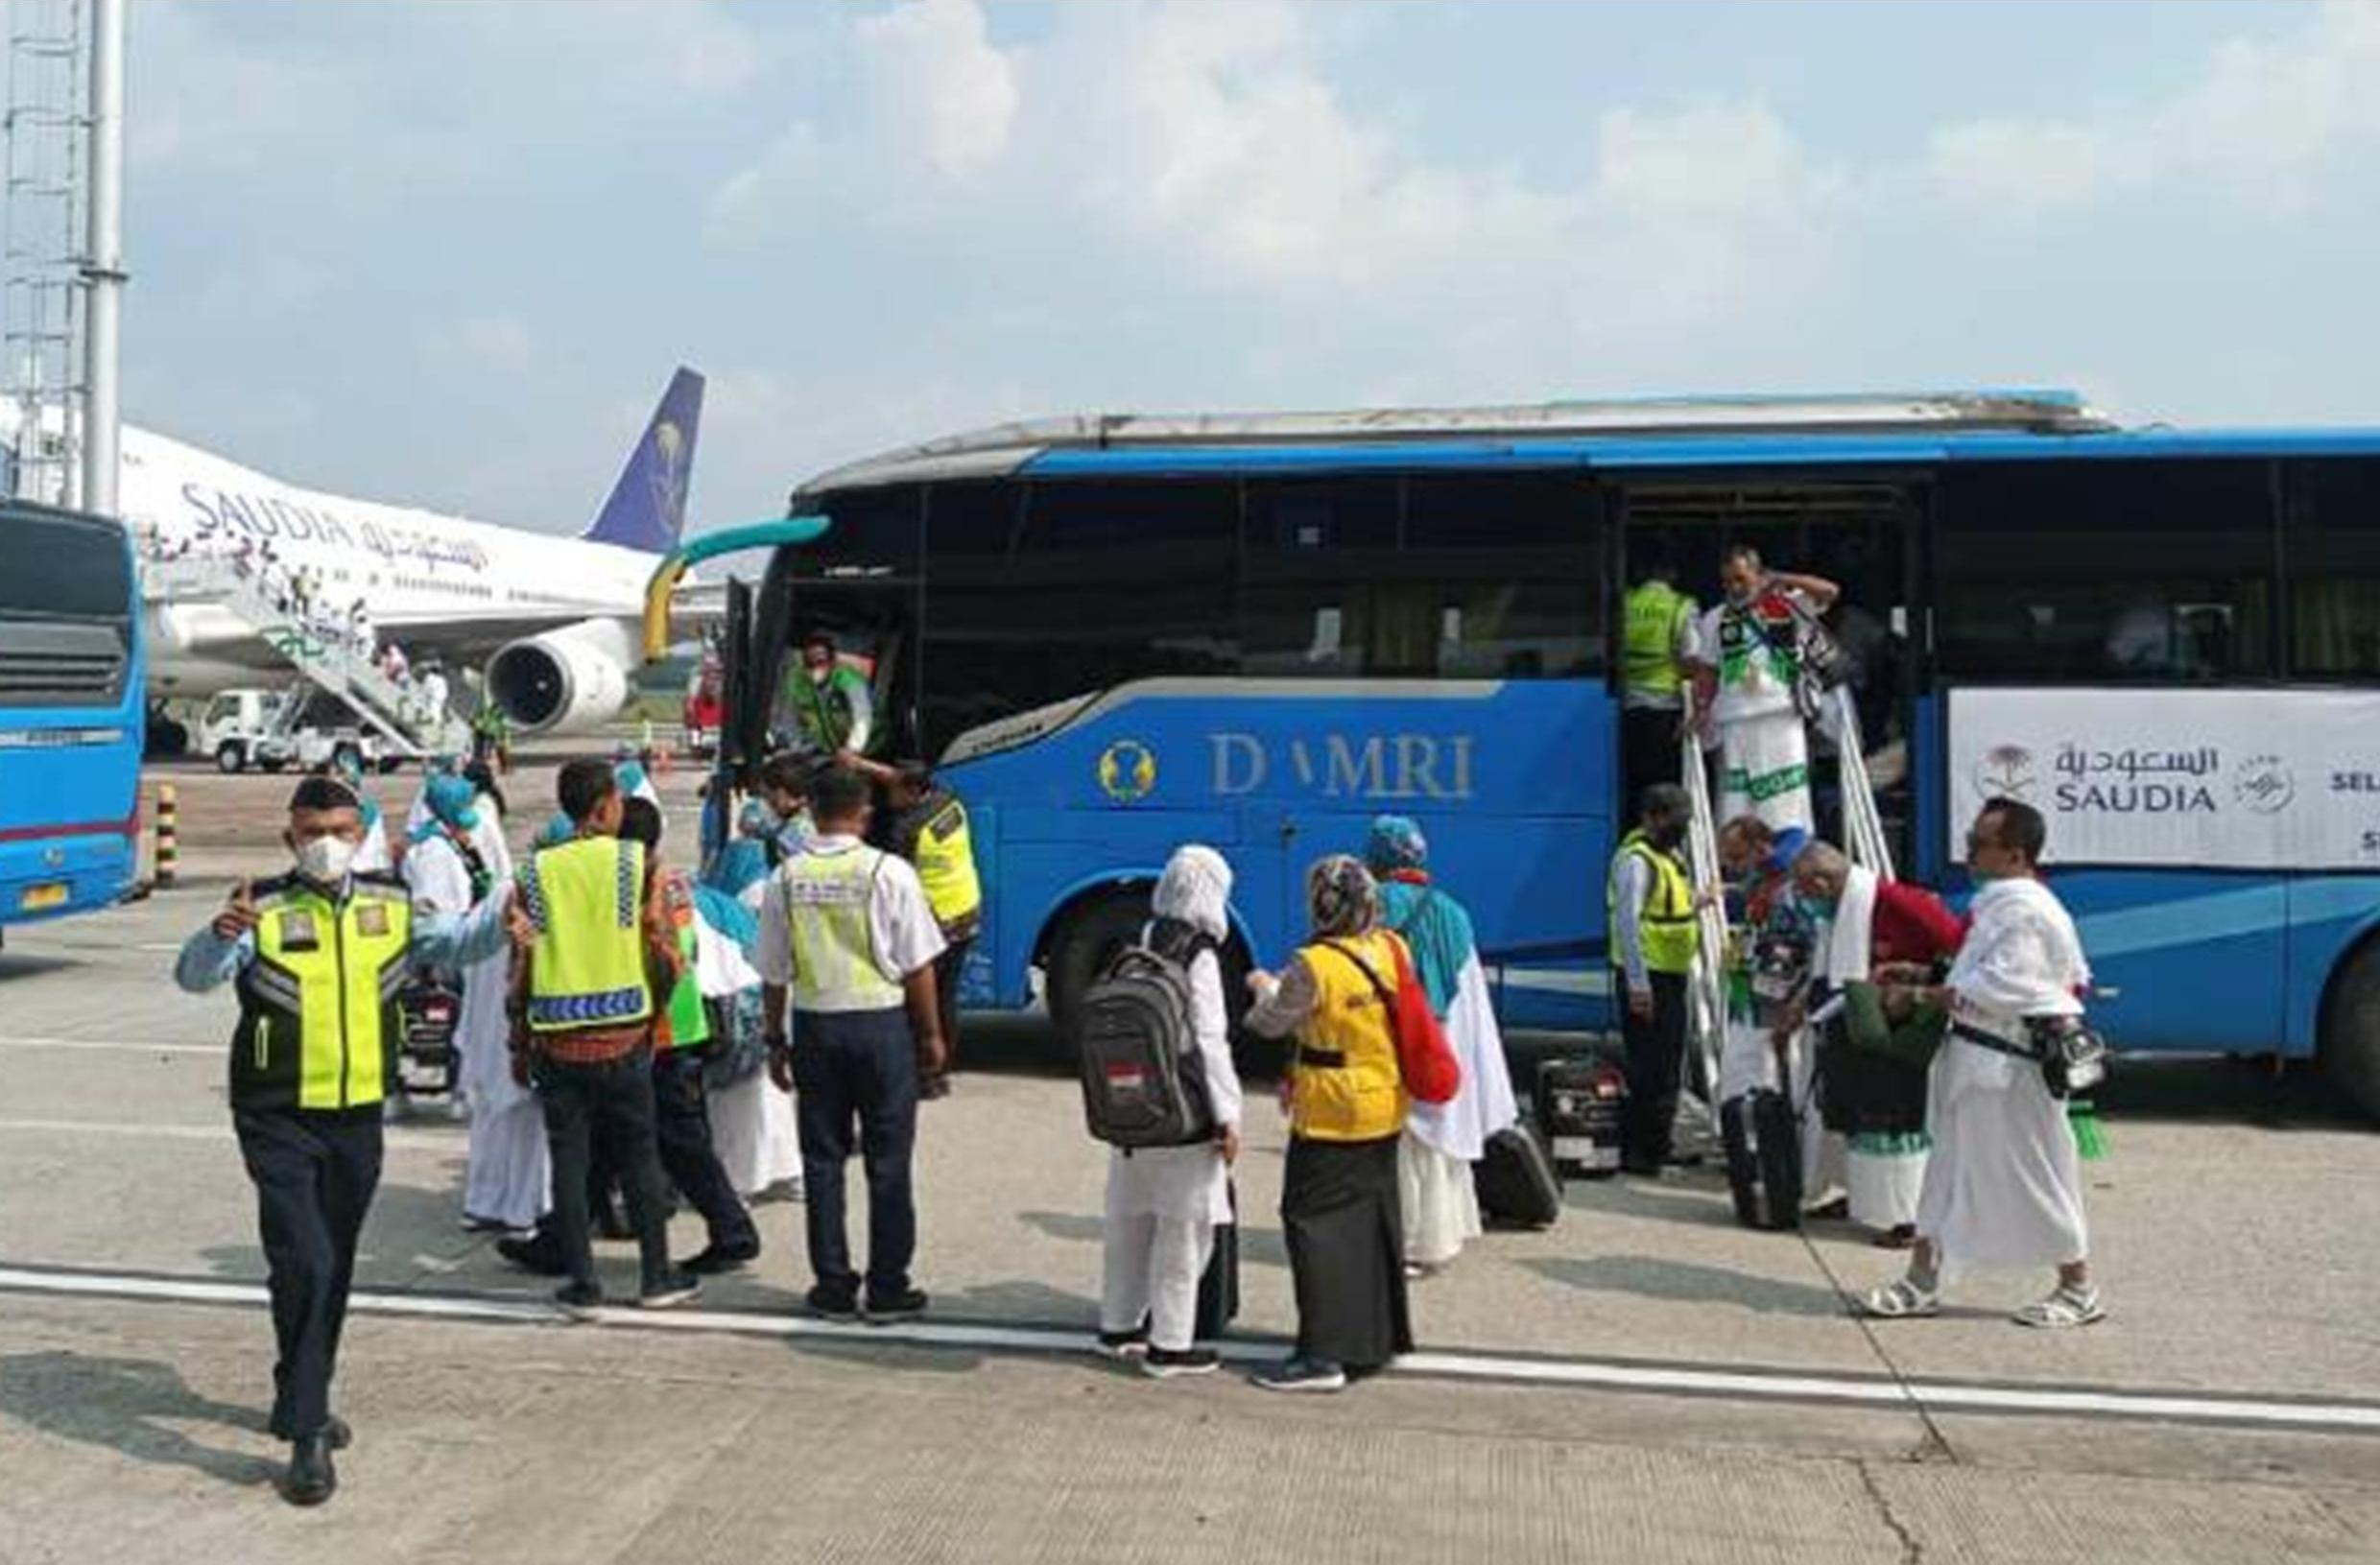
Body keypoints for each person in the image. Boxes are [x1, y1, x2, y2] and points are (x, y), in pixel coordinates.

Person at [173, 774, 517, 1506]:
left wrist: (510, 914)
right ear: (289, 838)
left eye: (338, 828)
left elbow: (458, 943)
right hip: (277, 1113)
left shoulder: (390, 904)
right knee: (306, 1258)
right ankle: (306, 1432)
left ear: (360, 833)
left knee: (327, 1266)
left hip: (359, 1110)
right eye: (309, 831)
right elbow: (194, 977)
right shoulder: (261, 907)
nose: (325, 843)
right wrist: (215, 935)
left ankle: (303, 1387)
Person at [1864, 798, 2105, 1328]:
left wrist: (1924, 996)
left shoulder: (2025, 910)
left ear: (2015, 854)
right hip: (1975, 1064)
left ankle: (2078, 1286)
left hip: (2010, 1070)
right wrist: (1927, 974)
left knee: (2035, 1176)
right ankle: (1923, 1278)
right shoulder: (2002, 904)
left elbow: (2007, 985)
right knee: (1947, 1175)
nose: (1968, 852)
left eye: (1979, 844)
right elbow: (1981, 970)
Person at [510, 760, 702, 1316]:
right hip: (624, 1034)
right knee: (640, 1157)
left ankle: (583, 1283)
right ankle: (655, 1275)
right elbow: (667, 954)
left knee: (568, 1163)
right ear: (604, 806)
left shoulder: (535, 872)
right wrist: (654, 1010)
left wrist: (519, 1039)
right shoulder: (639, 865)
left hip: (557, 1039)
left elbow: (519, 963)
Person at [756, 762, 947, 1322]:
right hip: (881, 1028)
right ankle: (888, 1286)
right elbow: (918, 966)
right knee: (889, 1162)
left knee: (823, 1160)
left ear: (812, 812)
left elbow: (773, 971)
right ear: (864, 812)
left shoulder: (785, 877)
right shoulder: (888, 872)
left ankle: (833, 1284)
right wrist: (931, 1035)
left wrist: (774, 1040)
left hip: (817, 1026)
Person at [1243, 856, 1419, 1393]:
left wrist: (1261, 986)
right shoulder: (1392, 948)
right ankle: (1376, 1338)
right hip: (1385, 1103)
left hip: (1332, 1111)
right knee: (1371, 1225)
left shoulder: (1313, 964)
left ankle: (1323, 1355)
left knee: (1311, 1223)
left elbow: (1269, 1023)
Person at [1096, 845, 1245, 1378]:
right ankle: (1170, 1345)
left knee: (1130, 1219)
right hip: (1183, 1108)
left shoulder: (1144, 938)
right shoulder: (1199, 953)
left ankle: (1117, 1324)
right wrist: (1229, 1115)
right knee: (1184, 1229)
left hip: (1133, 1105)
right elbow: (1210, 1038)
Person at [1365, 815, 1517, 1276]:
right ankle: (1439, 1237)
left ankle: (1402, 1238)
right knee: (1436, 1139)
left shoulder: (1374, 906)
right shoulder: (1454, 912)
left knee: (1400, 1141)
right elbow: (1470, 995)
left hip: (1396, 1035)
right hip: (1443, 1039)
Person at [1793, 841, 1967, 1245]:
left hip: (1902, 1032)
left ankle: (1908, 1217)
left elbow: (1960, 956)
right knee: (1852, 1116)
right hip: (1855, 1024)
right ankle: (1856, 1195)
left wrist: (1914, 977)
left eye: (1806, 890)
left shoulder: (1902, 903)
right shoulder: (1839, 912)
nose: (1804, 900)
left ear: (1823, 881)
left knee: (1899, 1124)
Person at [617, 795, 762, 1274]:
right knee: (621, 1134)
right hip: (681, 1024)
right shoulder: (676, 881)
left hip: (658, 1029)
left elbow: (658, 959)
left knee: (680, 1139)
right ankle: (563, 1231)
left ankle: (732, 1228)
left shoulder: (639, 888)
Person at [405, 772, 545, 1235]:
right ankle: (525, 1210)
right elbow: (438, 925)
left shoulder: (495, 894)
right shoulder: (440, 857)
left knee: (493, 1119)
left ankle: (487, 1202)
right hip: (505, 1025)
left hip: (485, 1024)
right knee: (523, 1127)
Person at [1686, 544, 1840, 834]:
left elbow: (1829, 592)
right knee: (1737, 801)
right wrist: (1701, 710)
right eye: (1728, 581)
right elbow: (1708, 670)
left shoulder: (1787, 604)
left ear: (1758, 575)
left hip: (1780, 715)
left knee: (1785, 798)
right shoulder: (1715, 619)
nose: (1734, 587)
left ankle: (1790, 856)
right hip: (1734, 720)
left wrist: (1781, 578)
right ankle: (1740, 862)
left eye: (1741, 579)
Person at [865, 758, 981, 1099]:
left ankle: (924, 1077)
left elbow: (893, 880)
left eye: (894, 792)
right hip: (965, 912)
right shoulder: (947, 800)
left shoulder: (907, 830)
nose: (888, 798)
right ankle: (940, 1073)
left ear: (913, 791)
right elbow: (899, 778)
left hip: (935, 923)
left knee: (919, 1003)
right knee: (945, 998)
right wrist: (862, 765)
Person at [1607, 784, 1700, 1175]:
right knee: (1650, 1067)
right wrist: (1638, 983)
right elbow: (1628, 921)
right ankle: (1641, 1151)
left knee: (1667, 1064)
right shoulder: (1637, 860)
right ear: (1650, 817)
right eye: (1672, 819)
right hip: (1649, 977)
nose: (1678, 828)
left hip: (1671, 973)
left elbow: (1670, 908)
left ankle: (1657, 1143)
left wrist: (1702, 902)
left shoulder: (1670, 856)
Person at [1620, 543, 1700, 813]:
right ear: (1672, 574)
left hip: (1627, 704)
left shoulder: (1626, 602)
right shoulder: (1682, 606)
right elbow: (1692, 659)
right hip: (1666, 707)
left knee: (1632, 781)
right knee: (1664, 783)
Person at [786, 630, 874, 756]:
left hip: (871, 750)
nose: (816, 667)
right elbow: (796, 720)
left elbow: (862, 715)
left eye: (821, 661)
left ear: (832, 661)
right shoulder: (801, 685)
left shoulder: (848, 680)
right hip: (834, 752)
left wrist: (853, 748)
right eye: (810, 663)